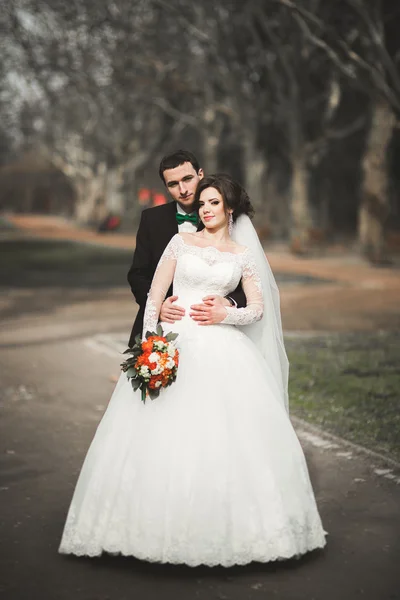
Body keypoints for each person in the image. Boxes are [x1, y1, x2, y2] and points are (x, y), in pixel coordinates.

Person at [59, 174, 326, 566]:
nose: (205, 208)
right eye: (202, 203)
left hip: (223, 349)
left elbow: (258, 307)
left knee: (224, 437)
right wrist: (152, 343)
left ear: (229, 208)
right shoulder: (180, 241)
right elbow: (154, 296)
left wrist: (227, 311)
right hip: (174, 345)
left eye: (214, 202)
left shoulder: (242, 254)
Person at [127, 150, 246, 347]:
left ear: (200, 174)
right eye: (173, 184)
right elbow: (138, 274)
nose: (183, 189)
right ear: (166, 187)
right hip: (162, 325)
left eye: (188, 179)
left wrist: (229, 303)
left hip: (215, 331)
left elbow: (249, 276)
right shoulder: (151, 219)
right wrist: (159, 306)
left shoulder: (229, 218)